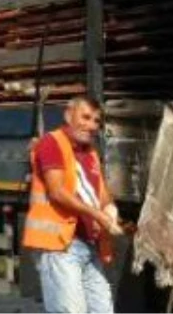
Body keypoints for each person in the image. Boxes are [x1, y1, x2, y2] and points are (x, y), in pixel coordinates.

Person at [23, 95, 125, 314]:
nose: (91, 125)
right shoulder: (52, 143)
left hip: (88, 245)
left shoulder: (90, 153)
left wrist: (110, 208)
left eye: (96, 121)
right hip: (60, 245)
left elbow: (102, 193)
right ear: (68, 116)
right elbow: (57, 191)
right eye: (85, 117)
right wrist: (98, 215)